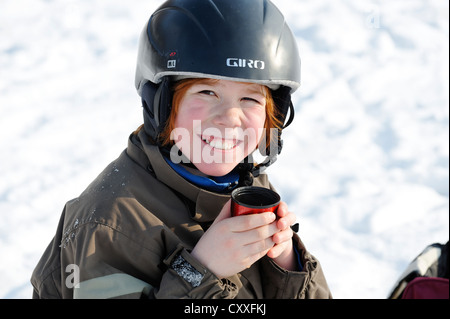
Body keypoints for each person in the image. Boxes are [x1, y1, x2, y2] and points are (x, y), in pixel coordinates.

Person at [31, 0, 332, 299]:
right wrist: (199, 272)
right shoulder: (110, 224)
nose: (229, 118)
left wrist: (288, 266)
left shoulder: (247, 186)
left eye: (250, 99)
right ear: (160, 103)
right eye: (207, 92)